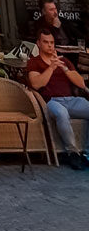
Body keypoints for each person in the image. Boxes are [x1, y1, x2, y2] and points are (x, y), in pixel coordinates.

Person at [26, 29, 89, 169]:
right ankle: (72, 152)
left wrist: (65, 69)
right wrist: (52, 67)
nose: (50, 45)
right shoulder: (34, 62)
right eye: (46, 42)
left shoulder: (64, 61)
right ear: (38, 43)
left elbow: (81, 83)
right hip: (51, 101)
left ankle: (86, 153)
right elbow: (37, 84)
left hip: (71, 100)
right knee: (62, 113)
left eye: (52, 42)